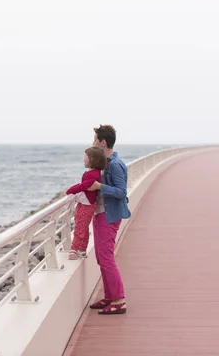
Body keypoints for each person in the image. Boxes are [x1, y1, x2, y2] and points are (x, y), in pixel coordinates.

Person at [87, 124, 131, 315]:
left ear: (102, 142)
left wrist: (99, 187)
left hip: (109, 215)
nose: (92, 143)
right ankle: (109, 296)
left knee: (106, 258)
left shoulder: (115, 165)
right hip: (100, 213)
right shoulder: (105, 163)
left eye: (95, 139)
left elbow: (121, 192)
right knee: (100, 257)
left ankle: (119, 300)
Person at [65, 146, 107, 260]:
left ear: (92, 159)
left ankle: (75, 249)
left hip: (87, 204)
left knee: (80, 226)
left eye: (86, 157)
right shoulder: (94, 172)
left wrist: (71, 190)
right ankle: (82, 250)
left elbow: (84, 186)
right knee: (82, 225)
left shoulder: (93, 174)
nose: (83, 159)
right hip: (85, 203)